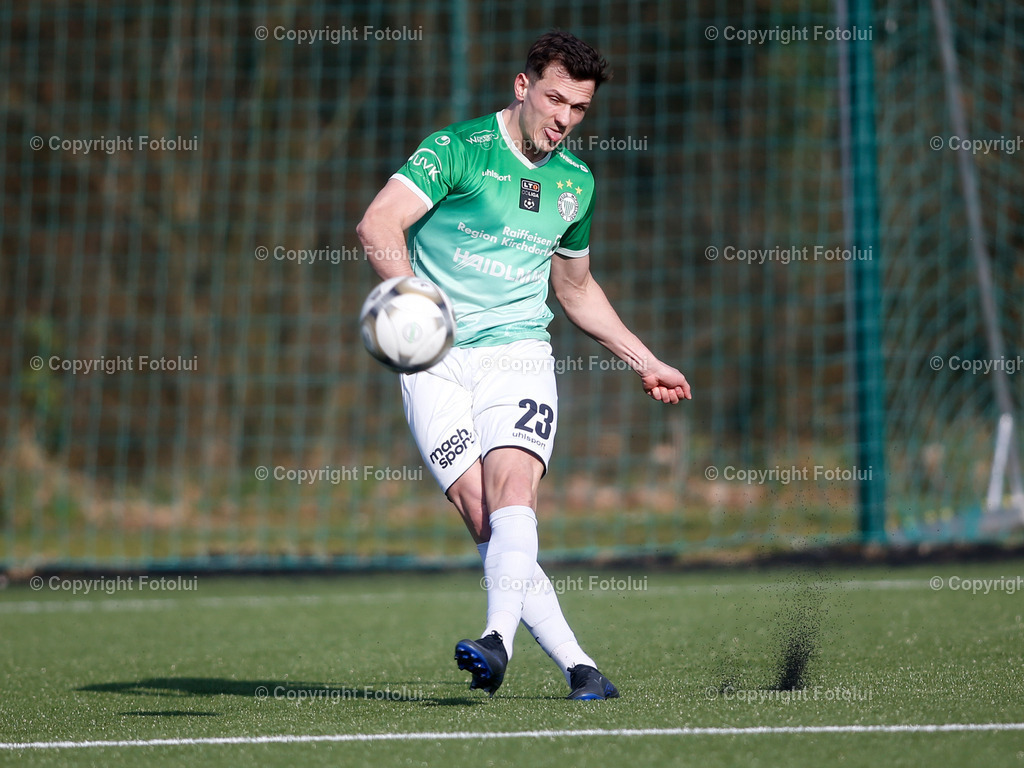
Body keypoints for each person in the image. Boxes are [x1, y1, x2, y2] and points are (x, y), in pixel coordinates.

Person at [357, 30, 690, 700]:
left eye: (580, 109)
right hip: (435, 363)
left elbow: (573, 290)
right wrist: (410, 302)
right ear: (523, 86)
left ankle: (497, 641)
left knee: (515, 494)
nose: (564, 119)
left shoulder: (576, 184)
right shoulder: (458, 151)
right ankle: (581, 670)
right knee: (486, 519)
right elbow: (378, 226)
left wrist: (642, 358)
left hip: (517, 353)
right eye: (555, 99)